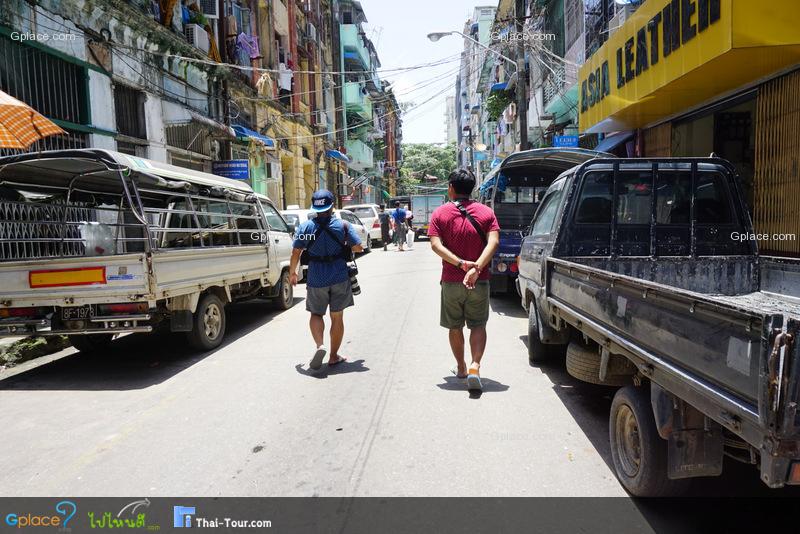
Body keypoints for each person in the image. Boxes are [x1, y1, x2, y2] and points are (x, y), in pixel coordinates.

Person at [428, 169, 500, 392]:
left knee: (455, 326)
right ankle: (475, 366)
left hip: (451, 280)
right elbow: (494, 242)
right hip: (479, 280)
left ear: (451, 187)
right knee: (478, 324)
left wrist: (461, 264)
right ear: (472, 188)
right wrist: (477, 268)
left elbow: (435, 245)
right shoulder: (487, 212)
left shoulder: (440, 213)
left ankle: (461, 367)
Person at [289, 190, 363, 370]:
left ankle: (320, 345)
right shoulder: (343, 226)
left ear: (315, 207)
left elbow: (296, 251)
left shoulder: (306, 228)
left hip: (316, 278)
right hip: (339, 276)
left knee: (316, 314)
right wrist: (344, 245)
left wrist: (292, 273)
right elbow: (358, 247)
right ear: (332, 206)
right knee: (337, 317)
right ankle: (333, 356)